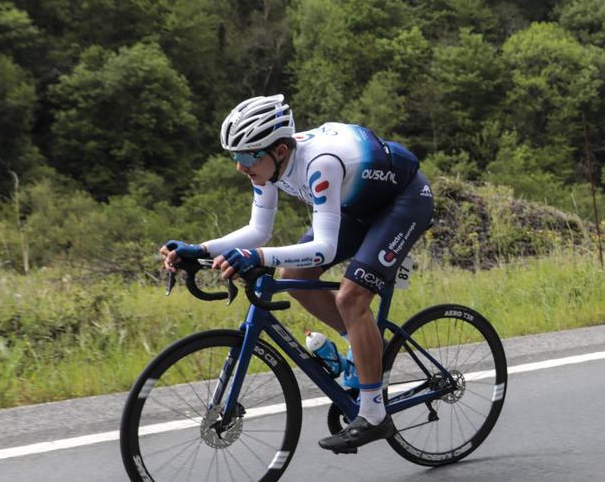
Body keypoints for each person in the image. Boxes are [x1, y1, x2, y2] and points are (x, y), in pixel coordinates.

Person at [160, 94, 434, 452]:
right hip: (357, 206)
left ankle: (374, 415)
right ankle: (365, 346)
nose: (239, 168)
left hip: (404, 203)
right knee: (294, 276)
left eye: (245, 157)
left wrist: (255, 256)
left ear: (281, 150)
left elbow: (324, 249)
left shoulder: (320, 164)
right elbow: (258, 231)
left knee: (352, 298)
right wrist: (203, 249)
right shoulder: (267, 163)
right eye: (234, 156)